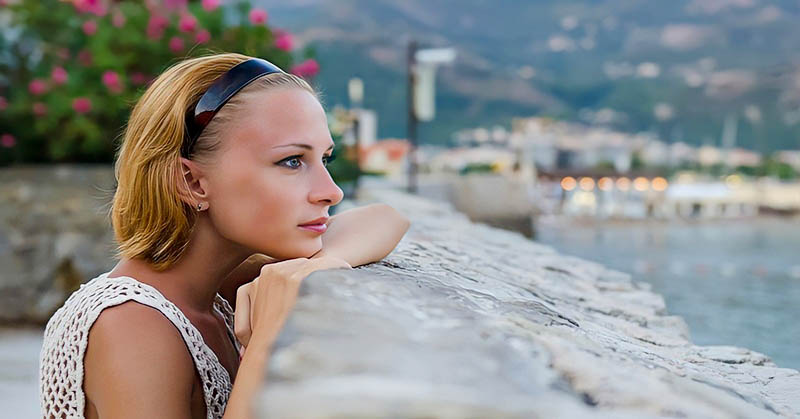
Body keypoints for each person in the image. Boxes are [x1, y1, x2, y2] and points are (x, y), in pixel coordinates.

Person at [39, 53, 410, 419]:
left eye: (324, 159)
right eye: (292, 161)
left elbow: (387, 219)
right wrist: (263, 344)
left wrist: (325, 263)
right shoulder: (132, 324)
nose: (331, 192)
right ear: (192, 182)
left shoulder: (221, 288)